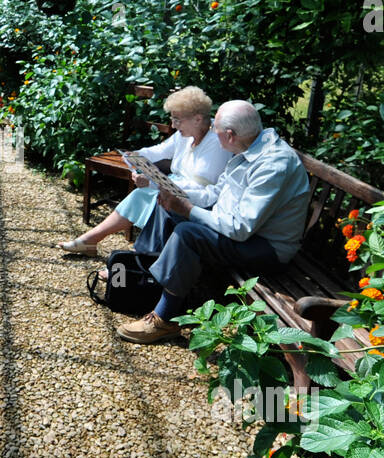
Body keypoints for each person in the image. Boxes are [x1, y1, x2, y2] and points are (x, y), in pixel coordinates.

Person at [115, 100, 309, 346]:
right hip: (242, 233)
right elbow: (214, 194)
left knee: (188, 233)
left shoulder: (273, 165)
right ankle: (146, 281)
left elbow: (239, 229)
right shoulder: (246, 149)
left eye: (216, 133)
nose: (214, 139)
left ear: (229, 135)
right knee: (169, 211)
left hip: (266, 248)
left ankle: (165, 319)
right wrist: (171, 191)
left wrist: (188, 209)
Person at [58, 86, 232, 255]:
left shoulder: (217, 145)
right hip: (173, 189)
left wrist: (152, 182)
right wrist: (134, 156)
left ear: (198, 119)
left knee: (148, 196)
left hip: (195, 201)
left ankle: (128, 257)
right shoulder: (184, 136)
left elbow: (204, 191)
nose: (173, 124)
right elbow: (159, 150)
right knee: (142, 194)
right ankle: (93, 241)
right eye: (172, 118)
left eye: (177, 119)